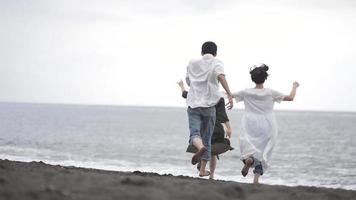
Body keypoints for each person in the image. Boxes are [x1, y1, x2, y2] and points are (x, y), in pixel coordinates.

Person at [232, 64, 299, 184]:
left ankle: (249, 160)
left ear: (252, 78)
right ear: (265, 78)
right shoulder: (270, 92)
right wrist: (294, 86)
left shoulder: (246, 92)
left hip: (249, 122)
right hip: (267, 123)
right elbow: (290, 98)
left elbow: (230, 94)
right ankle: (256, 178)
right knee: (264, 151)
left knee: (248, 145)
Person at [185, 41, 234, 178]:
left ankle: (199, 148)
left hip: (193, 104)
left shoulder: (192, 63)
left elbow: (188, 81)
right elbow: (221, 76)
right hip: (209, 106)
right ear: (215, 52)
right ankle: (202, 170)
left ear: (201, 52)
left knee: (195, 133)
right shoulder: (217, 62)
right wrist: (229, 94)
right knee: (207, 138)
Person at [177, 80, 234, 179]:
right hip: (215, 127)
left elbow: (185, 94)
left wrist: (182, 86)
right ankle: (211, 175)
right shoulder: (218, 97)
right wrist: (228, 127)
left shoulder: (197, 94)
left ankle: (201, 162)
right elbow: (222, 115)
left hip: (201, 125)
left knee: (202, 144)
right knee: (213, 153)